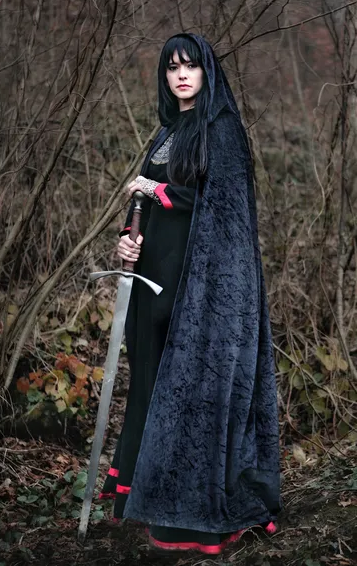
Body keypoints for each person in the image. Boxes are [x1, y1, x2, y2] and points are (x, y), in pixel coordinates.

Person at [99, 33, 281, 554]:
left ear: (207, 73)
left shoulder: (220, 130)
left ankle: (193, 514)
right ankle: (150, 495)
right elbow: (150, 206)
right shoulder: (168, 130)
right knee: (154, 386)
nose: (181, 75)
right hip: (152, 276)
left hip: (199, 289)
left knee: (191, 393)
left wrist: (153, 190)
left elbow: (220, 209)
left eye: (191, 66)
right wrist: (130, 239)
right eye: (172, 68)